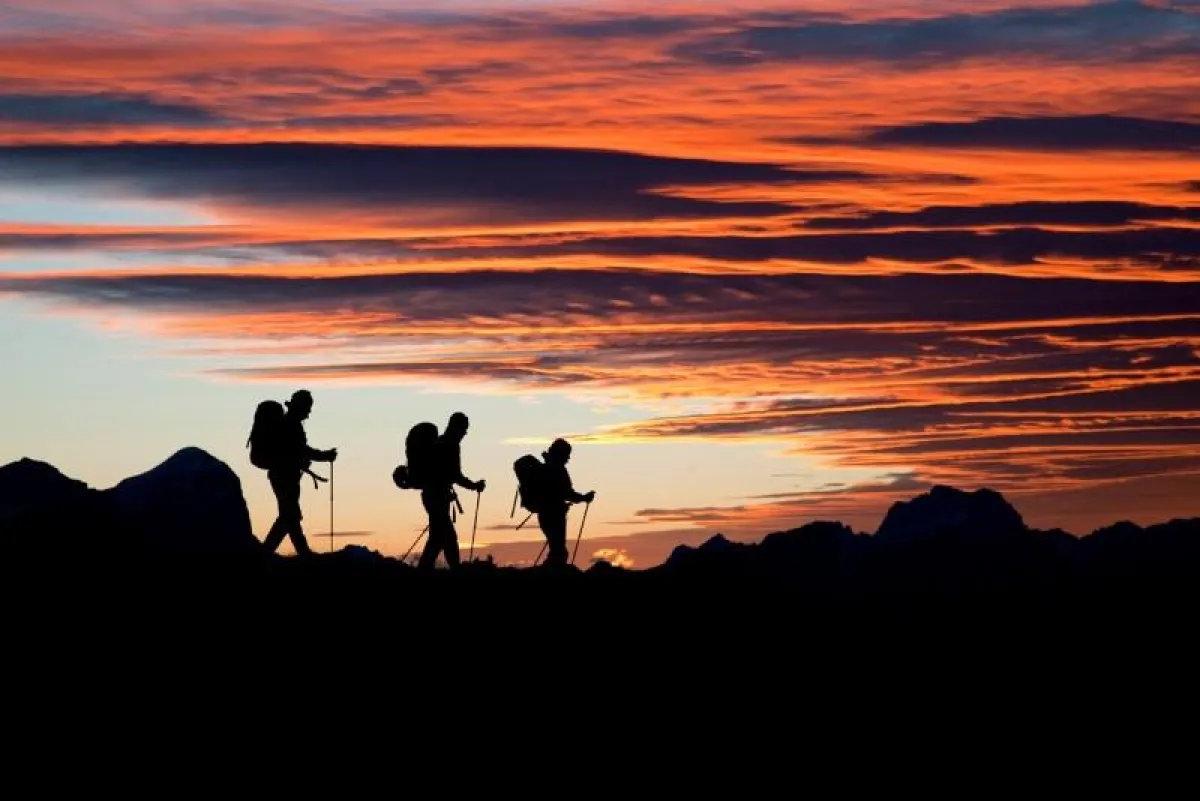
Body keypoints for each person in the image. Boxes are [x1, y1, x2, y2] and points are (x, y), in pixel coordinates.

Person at [262, 389, 338, 556]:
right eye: (307, 410)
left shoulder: (288, 424)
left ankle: (294, 552)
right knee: (289, 516)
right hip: (285, 478)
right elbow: (303, 450)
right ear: (300, 408)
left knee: (289, 516)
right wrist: (325, 456)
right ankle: (273, 553)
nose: (308, 414)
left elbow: (299, 451)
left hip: (284, 477)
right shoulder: (291, 425)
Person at [417, 411, 485, 570]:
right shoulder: (450, 446)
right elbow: (456, 475)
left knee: (437, 537)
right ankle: (455, 569)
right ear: (456, 427)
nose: (464, 434)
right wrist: (474, 486)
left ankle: (425, 568)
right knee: (447, 537)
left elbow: (451, 475)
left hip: (432, 497)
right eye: (463, 430)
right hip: (438, 497)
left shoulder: (440, 443)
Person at [537, 438, 594, 567]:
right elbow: (567, 493)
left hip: (546, 514)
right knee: (559, 552)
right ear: (560, 454)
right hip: (554, 515)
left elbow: (563, 493)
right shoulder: (556, 470)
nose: (568, 457)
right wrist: (584, 498)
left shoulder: (546, 467)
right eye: (566, 454)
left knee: (557, 550)